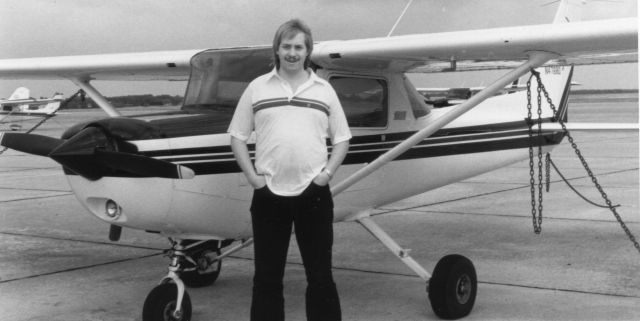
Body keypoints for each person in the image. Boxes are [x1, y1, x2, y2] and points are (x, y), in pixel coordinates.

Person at [228, 19, 351, 321]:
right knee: (266, 279)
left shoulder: (324, 90)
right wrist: (254, 180)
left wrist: (326, 176)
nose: (292, 53)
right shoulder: (257, 88)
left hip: (314, 194)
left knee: (320, 276)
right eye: (287, 46)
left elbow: (343, 138)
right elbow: (237, 138)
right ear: (277, 49)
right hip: (268, 195)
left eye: (299, 47)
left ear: (308, 51)